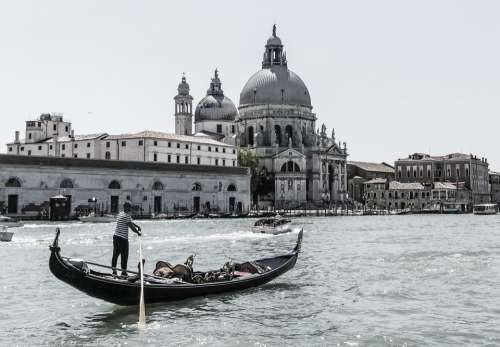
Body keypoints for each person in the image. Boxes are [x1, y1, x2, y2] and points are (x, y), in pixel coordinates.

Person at [112, 203, 142, 277]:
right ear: (127, 207)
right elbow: (131, 227)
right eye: (129, 208)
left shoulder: (121, 214)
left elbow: (130, 223)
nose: (130, 209)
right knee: (124, 256)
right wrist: (138, 233)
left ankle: (114, 271)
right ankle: (124, 273)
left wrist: (137, 226)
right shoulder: (127, 216)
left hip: (116, 237)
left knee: (115, 254)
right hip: (123, 239)